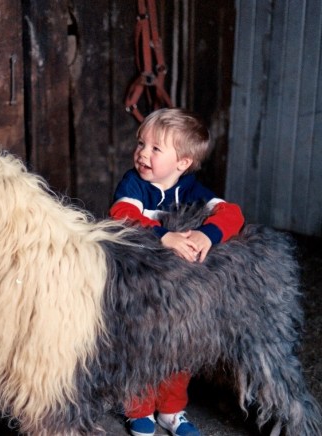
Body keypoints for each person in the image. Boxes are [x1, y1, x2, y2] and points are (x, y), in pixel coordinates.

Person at [109, 108, 244, 436]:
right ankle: (138, 409)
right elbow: (122, 214)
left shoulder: (192, 189)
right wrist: (163, 235)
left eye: (156, 149)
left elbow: (232, 214)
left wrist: (207, 234)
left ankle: (171, 411)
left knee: (178, 346)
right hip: (137, 283)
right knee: (140, 346)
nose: (142, 153)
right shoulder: (134, 184)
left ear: (182, 163)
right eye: (141, 143)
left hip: (175, 289)